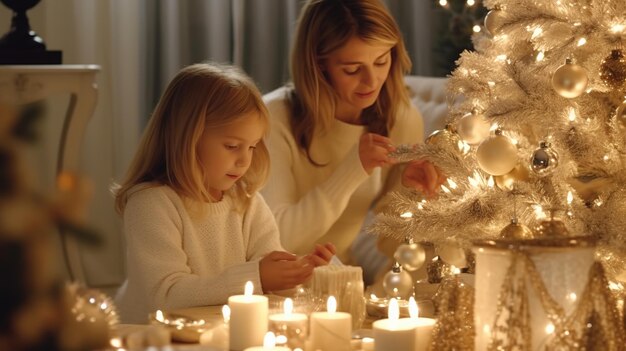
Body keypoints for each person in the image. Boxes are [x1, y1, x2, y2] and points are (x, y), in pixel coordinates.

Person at [113, 63, 335, 324]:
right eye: (232, 146)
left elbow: (267, 276)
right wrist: (258, 276)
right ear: (186, 138)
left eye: (252, 147)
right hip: (154, 339)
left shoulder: (246, 202)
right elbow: (165, 294)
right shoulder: (151, 204)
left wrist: (298, 273)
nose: (244, 160)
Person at [262, 0, 442, 268]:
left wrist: (412, 193)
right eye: (352, 69)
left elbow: (394, 246)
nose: (371, 81)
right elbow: (281, 240)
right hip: (271, 282)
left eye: (381, 61)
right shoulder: (274, 118)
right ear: (319, 65)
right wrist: (353, 169)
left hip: (340, 278)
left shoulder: (401, 118)